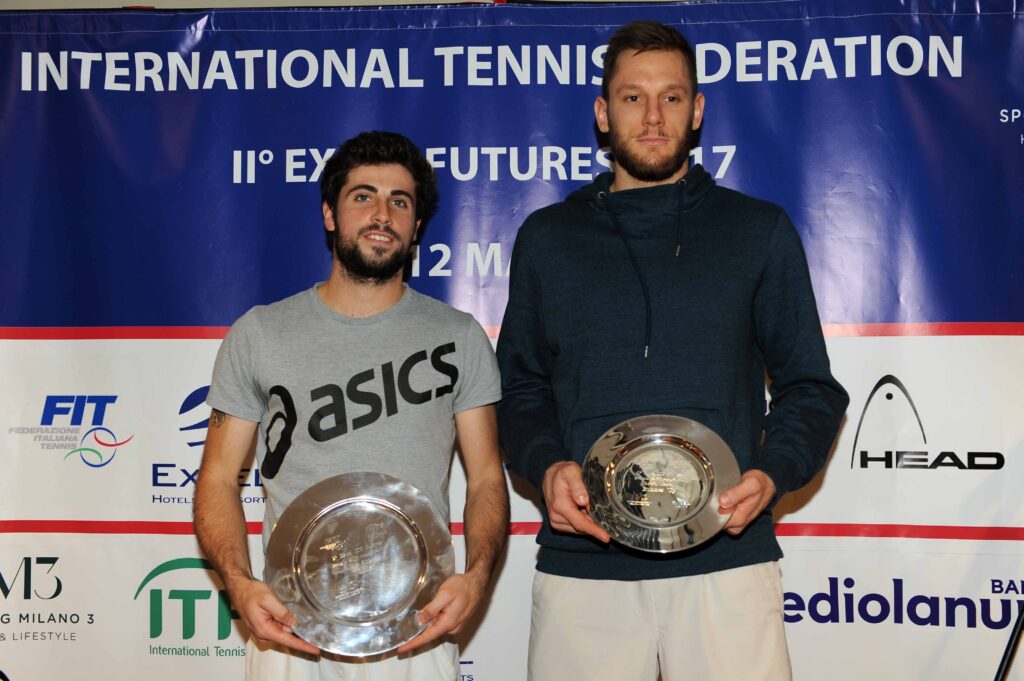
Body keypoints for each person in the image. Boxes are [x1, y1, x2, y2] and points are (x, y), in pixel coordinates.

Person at [496, 20, 849, 681]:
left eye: (672, 97)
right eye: (633, 97)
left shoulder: (758, 230)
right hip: (585, 562)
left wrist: (771, 473)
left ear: (698, 110)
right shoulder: (548, 238)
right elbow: (520, 390)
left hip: (728, 558)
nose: (653, 117)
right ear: (603, 113)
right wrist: (545, 466)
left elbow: (811, 387)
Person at [194, 130, 509, 681]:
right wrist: (240, 584)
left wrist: (477, 576)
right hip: (290, 630)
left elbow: (485, 478)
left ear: (416, 228)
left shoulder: (458, 337)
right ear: (329, 215)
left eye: (400, 201)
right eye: (363, 196)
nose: (381, 214)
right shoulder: (260, 333)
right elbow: (219, 476)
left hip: (416, 624)